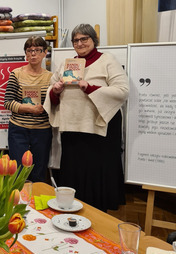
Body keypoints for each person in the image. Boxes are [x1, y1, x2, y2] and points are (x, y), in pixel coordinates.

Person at [44, 24, 129, 211]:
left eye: (84, 39)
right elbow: (51, 90)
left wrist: (89, 87)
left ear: (93, 40)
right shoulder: (67, 64)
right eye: (76, 40)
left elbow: (122, 91)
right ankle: (71, 207)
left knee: (97, 173)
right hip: (73, 128)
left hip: (99, 129)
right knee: (74, 171)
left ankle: (99, 212)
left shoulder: (107, 61)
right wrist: (55, 91)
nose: (80, 43)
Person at [4, 36, 53, 183]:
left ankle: (36, 204)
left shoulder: (51, 77)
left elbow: (55, 103)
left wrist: (44, 108)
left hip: (42, 131)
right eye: (29, 50)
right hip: (19, 130)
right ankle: (19, 204)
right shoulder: (16, 74)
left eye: (38, 50)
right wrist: (28, 109)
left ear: (45, 53)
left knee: (39, 172)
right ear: (25, 54)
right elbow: (7, 102)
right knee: (18, 174)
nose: (33, 54)